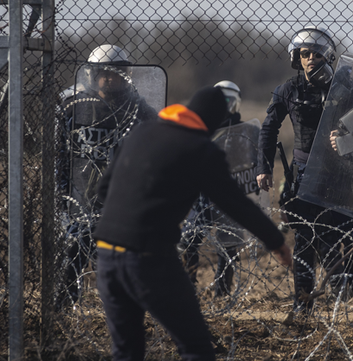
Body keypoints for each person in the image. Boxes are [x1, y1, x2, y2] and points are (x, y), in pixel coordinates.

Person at [93, 86, 292, 361]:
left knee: (126, 351)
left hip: (105, 254)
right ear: (212, 122)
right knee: (195, 348)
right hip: (149, 258)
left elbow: (103, 190)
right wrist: (276, 241)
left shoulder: (141, 133)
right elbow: (235, 203)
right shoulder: (200, 150)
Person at [256, 26, 353, 318]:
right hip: (305, 177)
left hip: (344, 176)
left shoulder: (348, 88)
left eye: (315, 53)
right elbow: (269, 128)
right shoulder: (289, 89)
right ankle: (303, 307)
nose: (310, 59)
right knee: (305, 244)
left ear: (328, 56)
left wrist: (349, 139)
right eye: (304, 54)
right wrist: (263, 167)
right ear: (296, 58)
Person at [56, 44, 159, 307]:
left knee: (116, 260)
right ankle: (65, 305)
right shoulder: (73, 105)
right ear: (91, 75)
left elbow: (157, 141)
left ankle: (120, 307)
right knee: (74, 252)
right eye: (104, 74)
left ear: (128, 75)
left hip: (121, 197)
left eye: (116, 74)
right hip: (81, 194)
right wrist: (61, 192)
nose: (110, 79)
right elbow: (59, 152)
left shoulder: (139, 109)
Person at [179, 80, 261, 297]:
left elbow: (255, 160)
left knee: (228, 245)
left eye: (229, 101)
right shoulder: (200, 130)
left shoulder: (247, 131)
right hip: (203, 196)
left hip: (231, 194)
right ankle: (187, 286)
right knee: (189, 239)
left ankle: (222, 292)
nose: (224, 107)